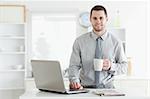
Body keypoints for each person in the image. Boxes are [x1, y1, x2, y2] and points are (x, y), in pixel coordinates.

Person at [68, 5, 127, 89]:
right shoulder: (79, 41)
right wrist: (74, 80)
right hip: (85, 89)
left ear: (106, 19)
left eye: (101, 18)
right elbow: (74, 65)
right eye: (95, 18)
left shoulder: (116, 42)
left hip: (108, 90)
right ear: (90, 20)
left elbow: (124, 67)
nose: (98, 21)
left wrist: (111, 66)